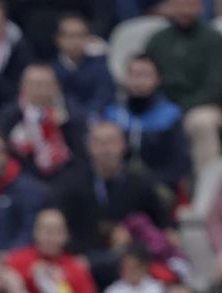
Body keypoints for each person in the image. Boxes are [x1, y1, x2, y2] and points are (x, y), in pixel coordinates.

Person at [50, 122, 173, 278]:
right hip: (84, 259)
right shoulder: (71, 184)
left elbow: (163, 226)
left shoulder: (140, 183)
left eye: (112, 142)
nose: (106, 149)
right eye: (100, 143)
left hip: (132, 263)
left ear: (123, 145)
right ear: (89, 147)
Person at [145, 0, 222, 173]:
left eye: (189, 5)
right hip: (163, 105)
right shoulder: (158, 39)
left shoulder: (214, 39)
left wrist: (182, 108)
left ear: (200, 7)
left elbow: (215, 85)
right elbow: (148, 75)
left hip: (203, 106)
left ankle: (207, 182)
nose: (184, 11)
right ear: (169, 7)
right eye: (179, 5)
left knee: (202, 122)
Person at [102, 55, 191, 192]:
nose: (139, 81)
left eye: (146, 75)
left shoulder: (170, 116)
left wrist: (149, 182)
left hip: (158, 185)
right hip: (118, 185)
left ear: (158, 79)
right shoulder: (113, 114)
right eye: (134, 75)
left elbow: (179, 163)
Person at [0, 63, 84, 184]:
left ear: (56, 87)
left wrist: (64, 124)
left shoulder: (70, 113)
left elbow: (79, 151)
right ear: (23, 87)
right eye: (35, 84)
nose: (41, 90)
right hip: (22, 178)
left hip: (65, 177)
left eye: (46, 84)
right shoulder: (10, 115)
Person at [3, 207, 95, 293]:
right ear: (35, 232)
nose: (51, 237)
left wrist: (57, 285)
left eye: (57, 231)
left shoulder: (76, 268)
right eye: (46, 231)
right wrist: (31, 277)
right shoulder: (16, 262)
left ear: (66, 235)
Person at [50, 14, 113, 118]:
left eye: (81, 36)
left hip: (95, 118)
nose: (76, 41)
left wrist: (88, 115)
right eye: (70, 36)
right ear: (58, 39)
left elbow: (104, 96)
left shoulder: (99, 66)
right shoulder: (51, 70)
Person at [100, 247, 165, 293]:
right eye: (126, 267)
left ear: (145, 267)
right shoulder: (112, 291)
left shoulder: (158, 289)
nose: (130, 271)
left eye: (134, 267)